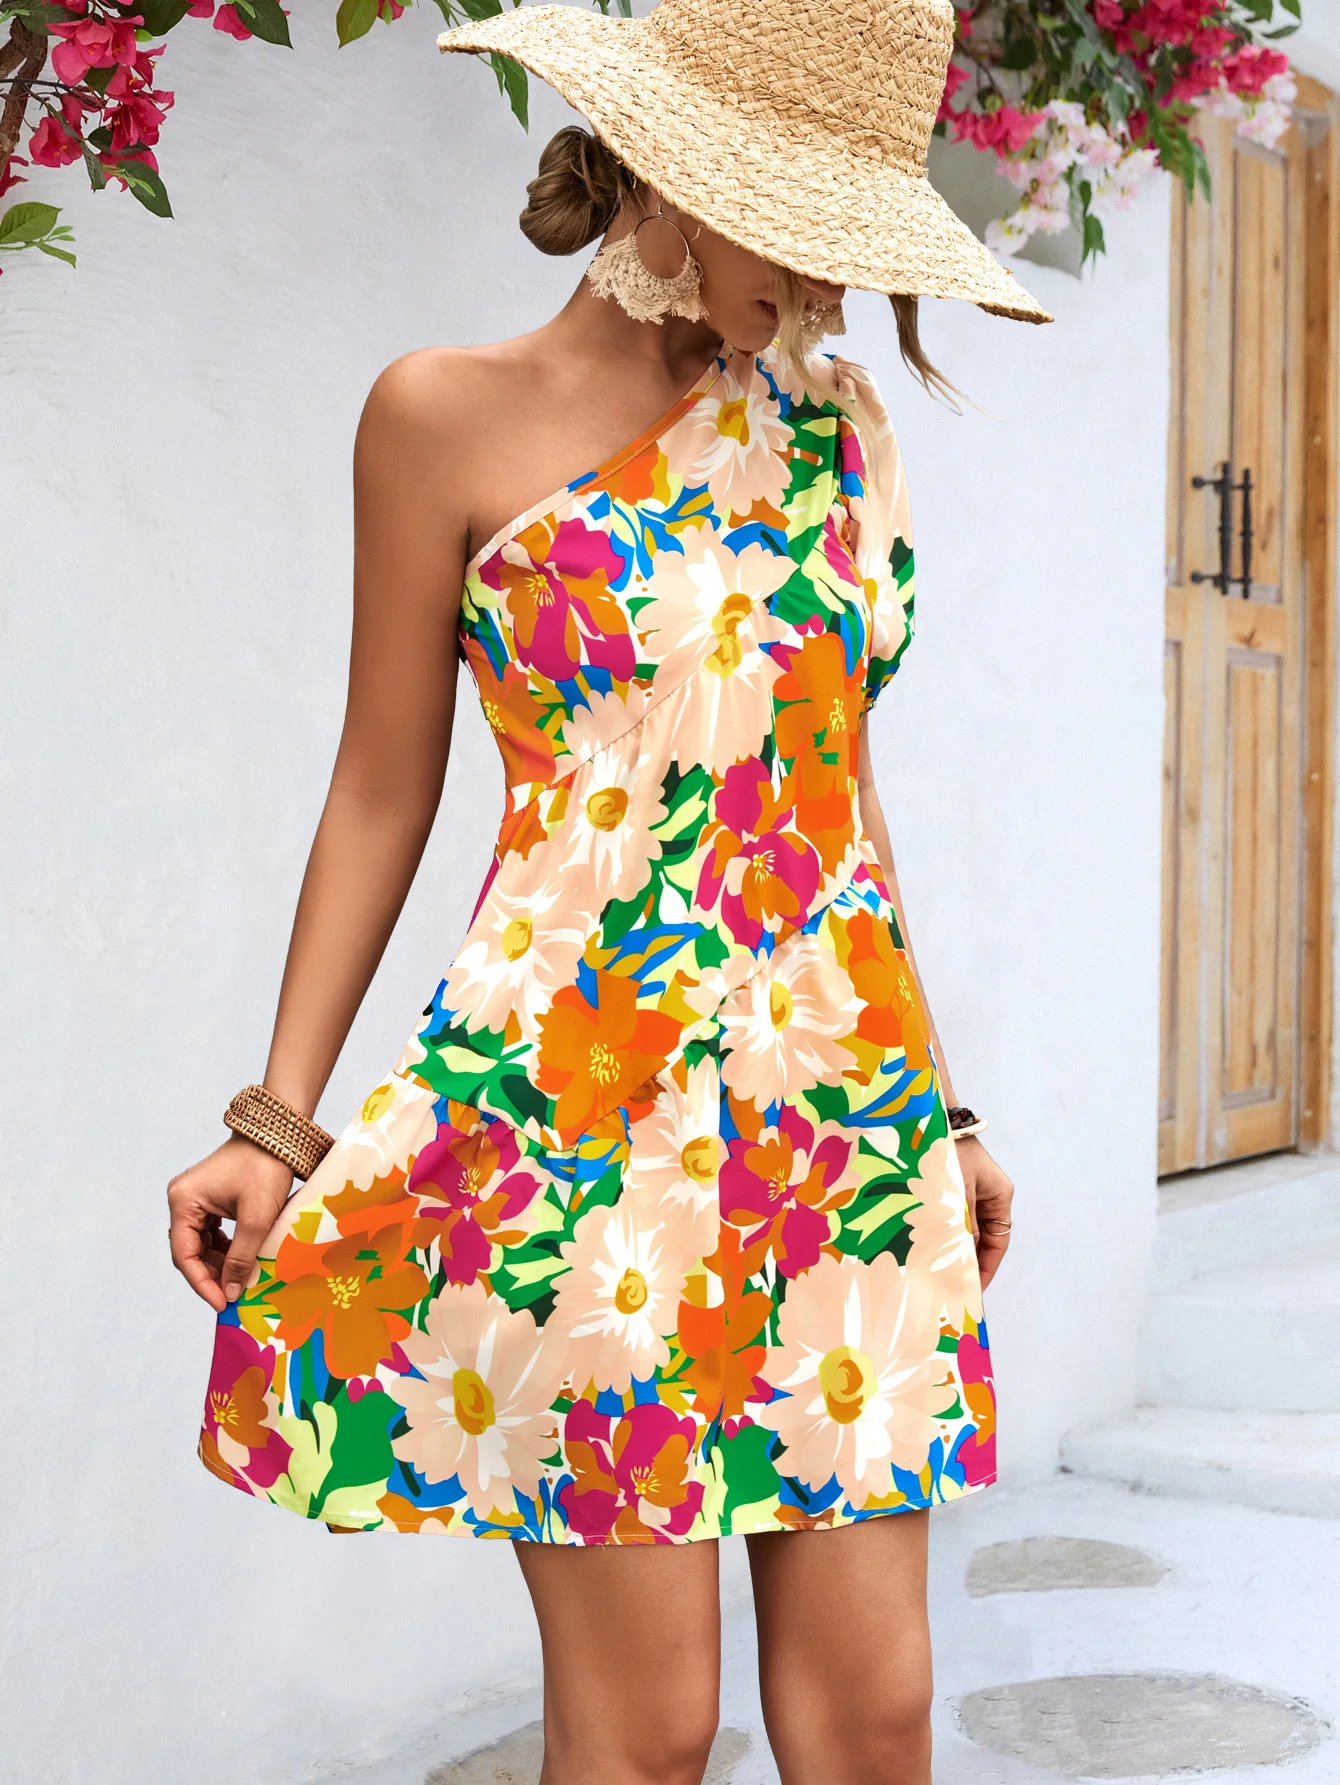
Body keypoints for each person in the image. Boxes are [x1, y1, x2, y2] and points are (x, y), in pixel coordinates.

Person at [169, 0, 1048, 1779]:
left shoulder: (840, 427)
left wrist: (943, 1108)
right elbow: (380, 786)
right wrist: (277, 1117)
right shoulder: (441, 416)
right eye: (796, 225)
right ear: (676, 176)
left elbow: (835, 794)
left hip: (839, 1114)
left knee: (876, 1714)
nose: (824, 280)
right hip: (575, 1111)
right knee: (647, 1735)